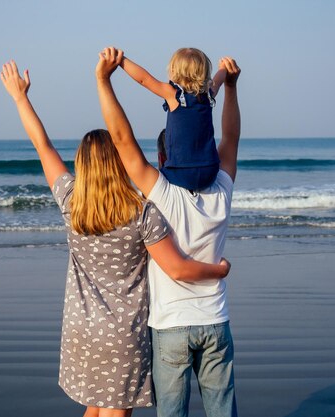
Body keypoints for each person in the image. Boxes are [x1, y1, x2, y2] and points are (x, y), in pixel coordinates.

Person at [0, 60, 231, 417]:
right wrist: (219, 269)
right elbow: (175, 267)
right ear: (118, 163)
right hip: (124, 334)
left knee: (95, 408)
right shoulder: (141, 212)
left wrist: (19, 99)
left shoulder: (70, 202)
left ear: (81, 165)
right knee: (114, 412)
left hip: (81, 329)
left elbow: (42, 146)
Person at [96, 47, 242, 417]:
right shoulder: (223, 190)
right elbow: (230, 139)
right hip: (215, 321)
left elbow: (124, 144)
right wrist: (232, 88)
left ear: (164, 159)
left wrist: (105, 79)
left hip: (172, 327)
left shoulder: (162, 195)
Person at [120, 48, 227, 191]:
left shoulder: (174, 95)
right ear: (205, 72)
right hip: (210, 172)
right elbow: (218, 82)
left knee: (151, 179)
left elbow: (144, 79)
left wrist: (121, 61)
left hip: (180, 173)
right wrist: (224, 68)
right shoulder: (207, 96)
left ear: (173, 71)